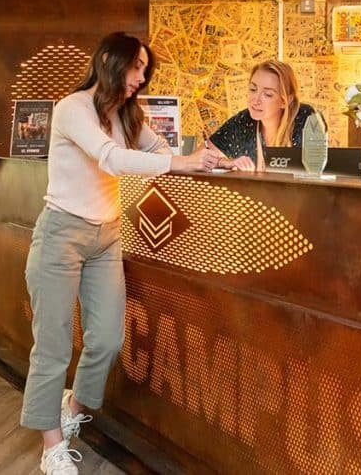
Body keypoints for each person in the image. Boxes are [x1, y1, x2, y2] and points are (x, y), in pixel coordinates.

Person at [20, 32, 218, 475]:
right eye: (137, 67)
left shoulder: (126, 115)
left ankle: (71, 412)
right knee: (52, 345)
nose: (141, 78)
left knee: (108, 338)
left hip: (106, 235)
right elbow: (110, 159)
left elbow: (159, 149)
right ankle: (51, 446)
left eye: (145, 70)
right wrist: (179, 162)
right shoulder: (73, 108)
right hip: (61, 233)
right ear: (110, 60)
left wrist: (203, 159)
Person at [208, 59, 315, 171]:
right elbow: (201, 157)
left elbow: (315, 170)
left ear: (285, 101)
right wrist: (224, 162)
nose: (255, 100)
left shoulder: (305, 118)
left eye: (268, 94)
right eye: (253, 89)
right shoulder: (243, 120)